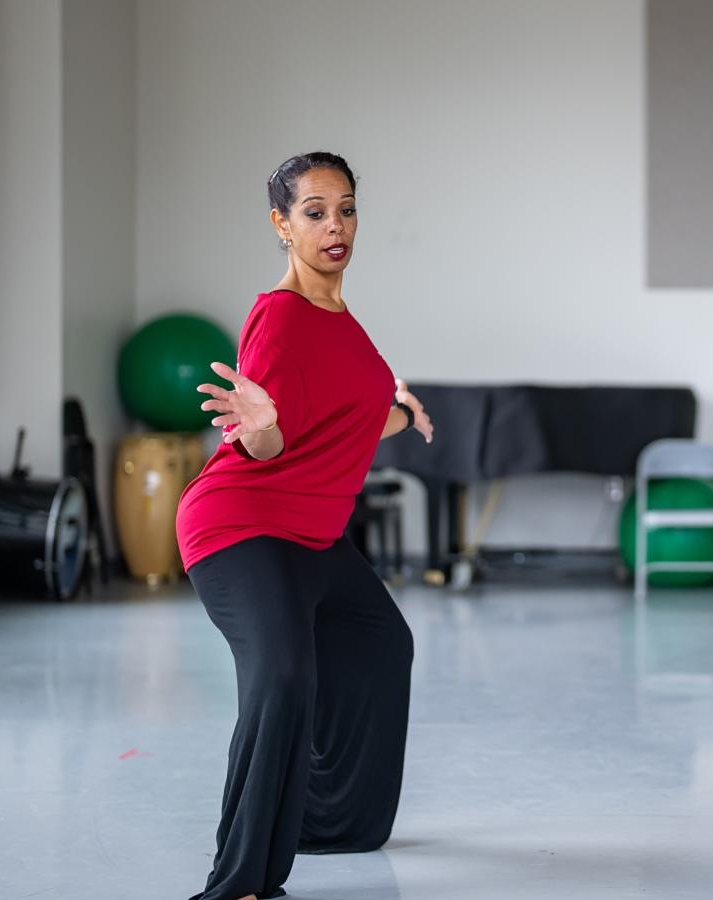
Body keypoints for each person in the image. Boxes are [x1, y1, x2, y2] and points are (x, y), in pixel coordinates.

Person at [174, 151, 435, 900]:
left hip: (314, 538)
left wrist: (400, 410)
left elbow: (345, 416)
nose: (336, 226)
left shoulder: (344, 323)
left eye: (346, 208)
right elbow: (269, 439)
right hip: (243, 527)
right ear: (281, 225)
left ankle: (332, 822)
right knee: (284, 675)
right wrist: (258, 426)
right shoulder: (280, 316)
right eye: (315, 211)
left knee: (382, 642)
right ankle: (241, 881)